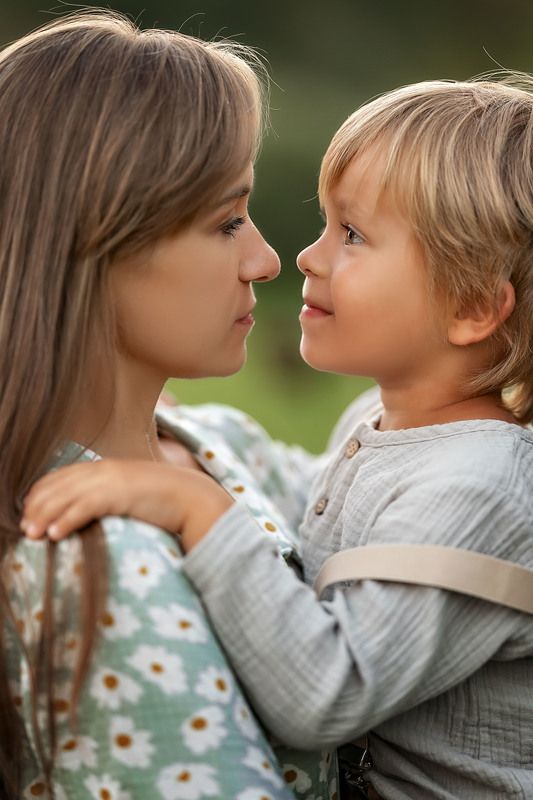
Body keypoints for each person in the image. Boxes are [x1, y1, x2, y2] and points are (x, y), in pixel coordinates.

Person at [26, 75, 533, 799]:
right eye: (325, 224)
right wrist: (136, 407)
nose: (302, 256)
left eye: (352, 235)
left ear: (474, 305)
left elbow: (324, 694)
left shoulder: (479, 486)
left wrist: (196, 508)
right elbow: (321, 502)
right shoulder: (380, 423)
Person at [0, 10, 338, 800]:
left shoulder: (216, 443)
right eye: (225, 221)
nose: (263, 259)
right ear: (93, 242)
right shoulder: (100, 567)